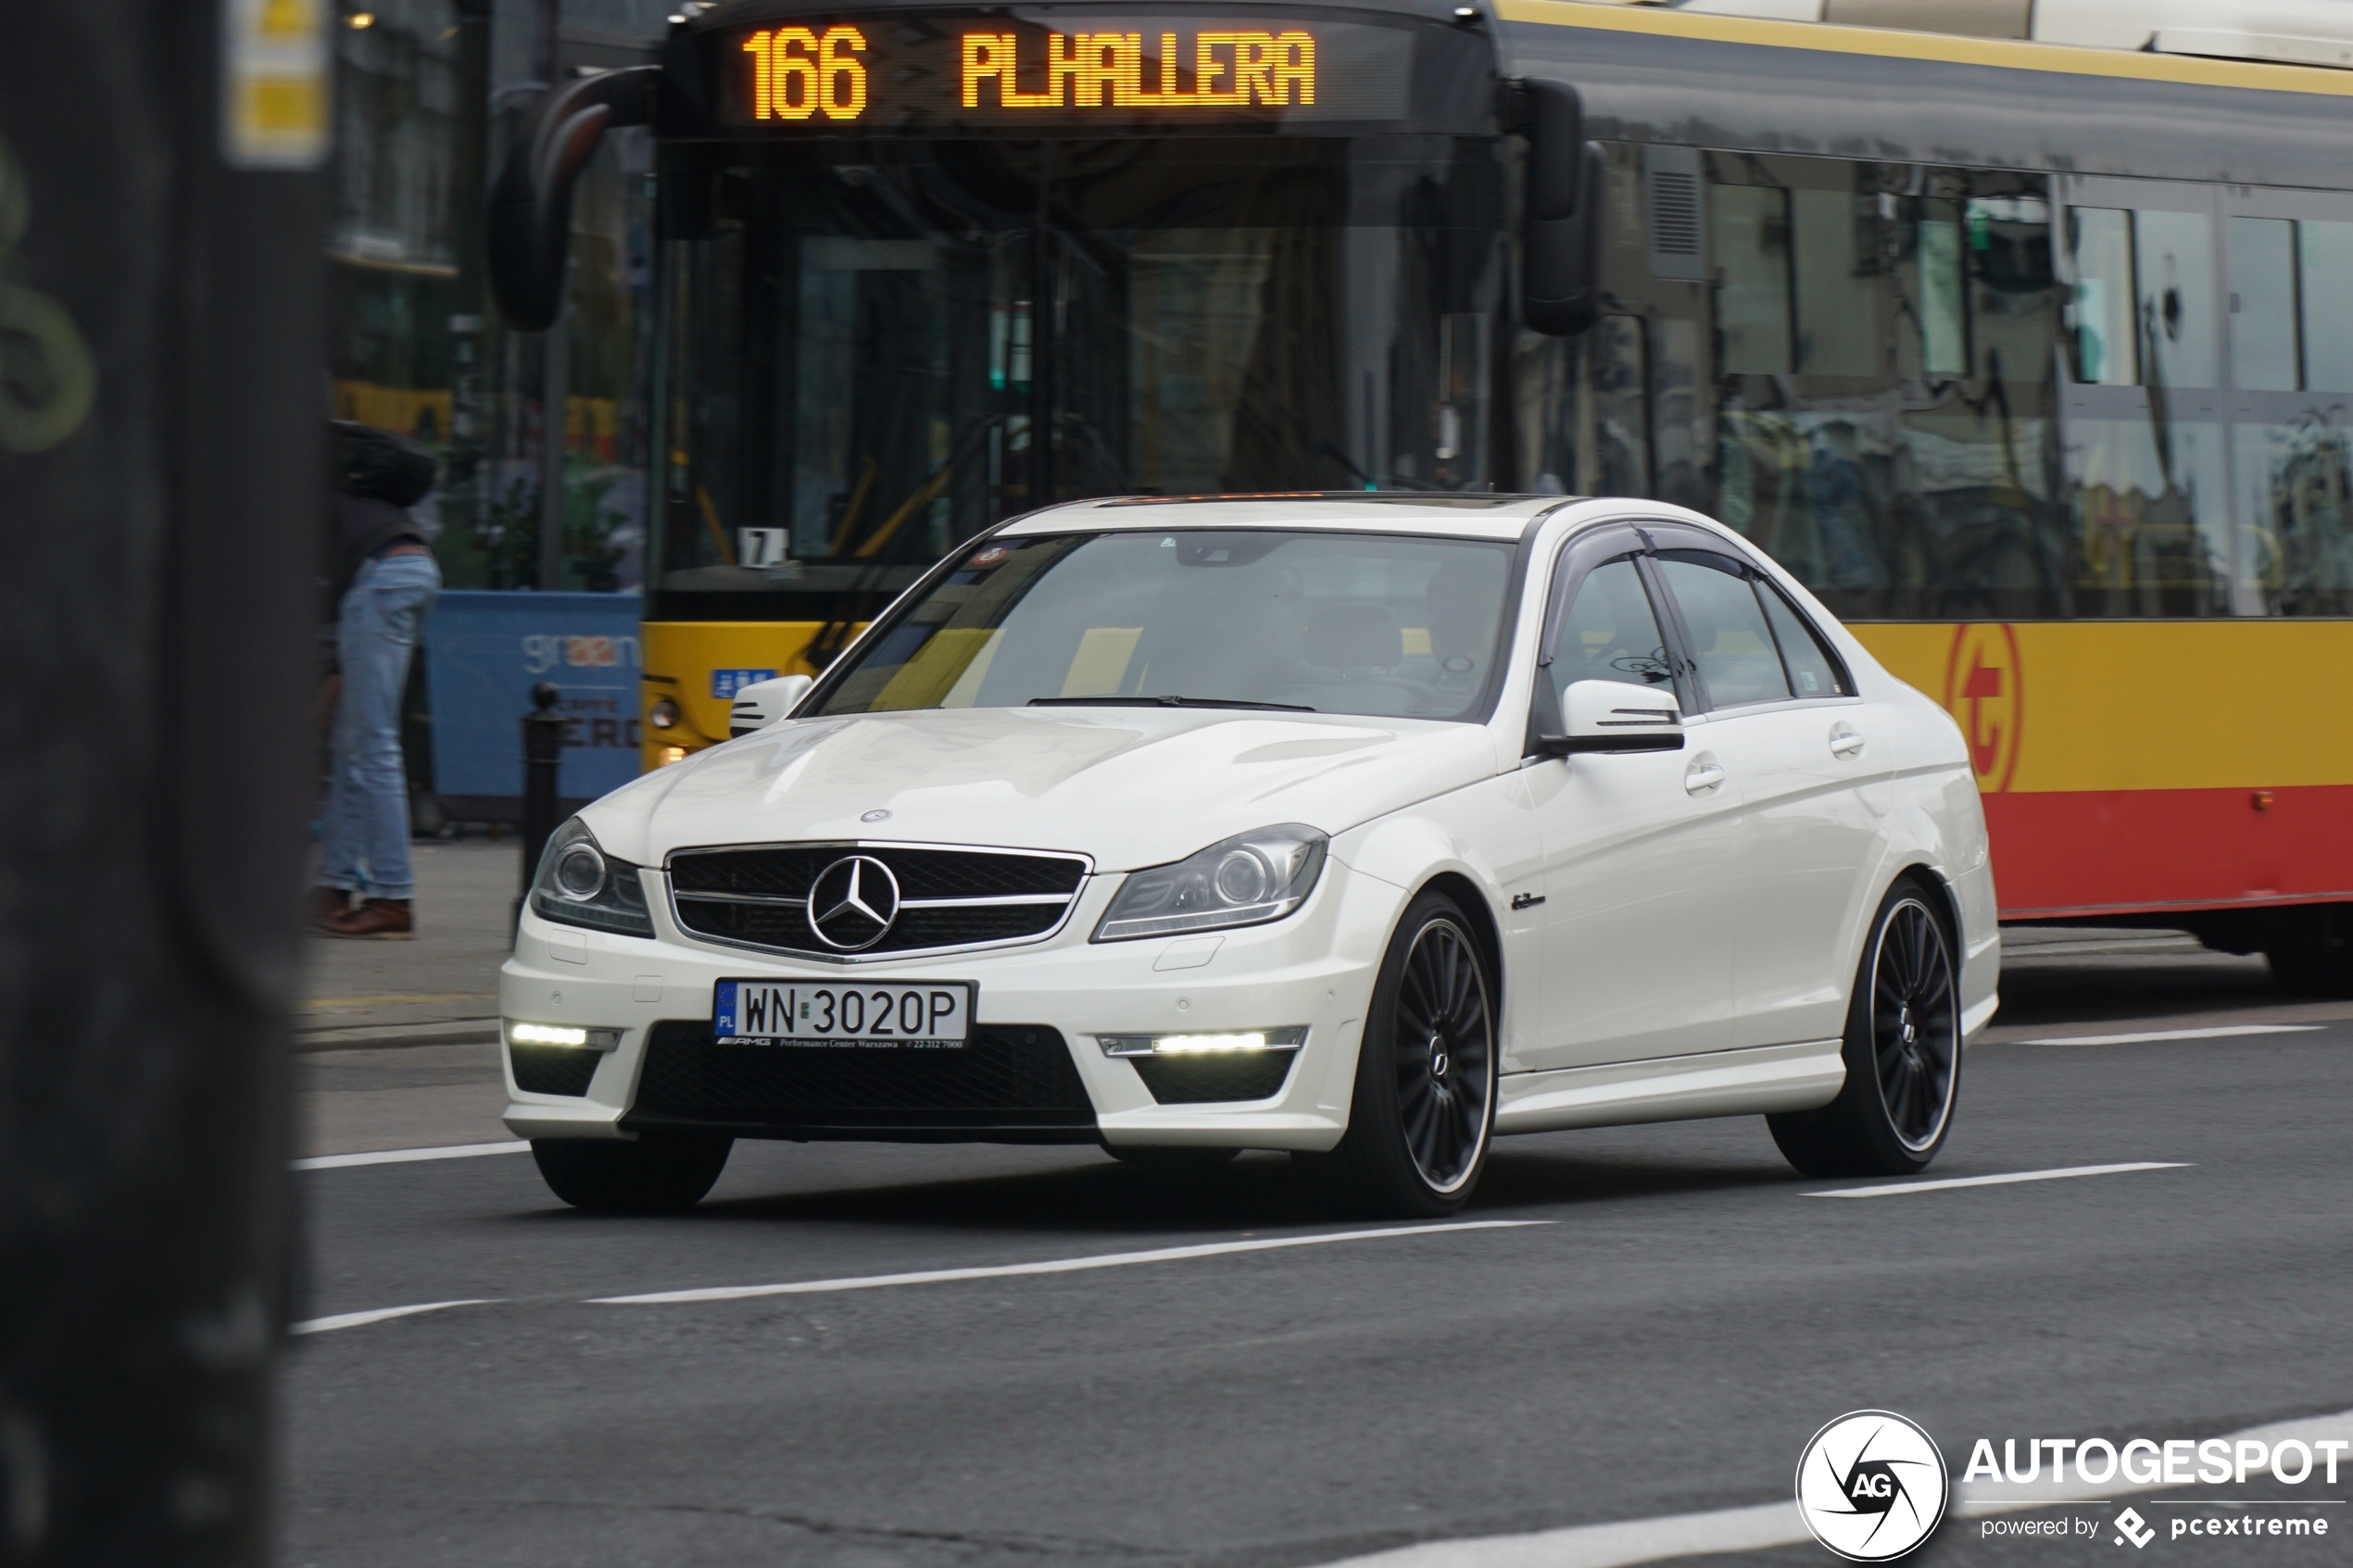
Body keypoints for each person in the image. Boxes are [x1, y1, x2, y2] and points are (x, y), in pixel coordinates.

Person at [314, 421, 441, 937]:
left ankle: (393, 896)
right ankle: (333, 888)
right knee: (354, 745)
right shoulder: (345, 497)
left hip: (383, 580)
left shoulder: (308, 506)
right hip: (406, 572)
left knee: (373, 745)